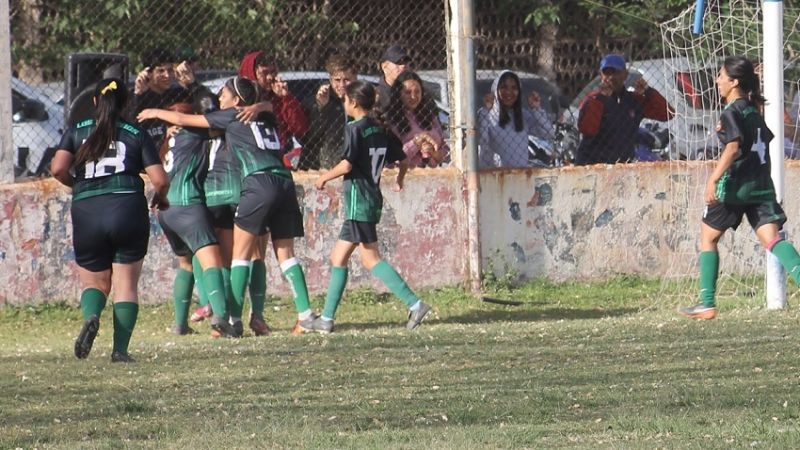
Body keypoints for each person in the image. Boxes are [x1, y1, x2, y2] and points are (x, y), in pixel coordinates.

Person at [138, 76, 317, 335]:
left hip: (250, 185)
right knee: (282, 254)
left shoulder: (229, 116)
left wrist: (155, 112)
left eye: (224, 94)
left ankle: (231, 319)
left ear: (236, 100)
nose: (220, 99)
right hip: (284, 181)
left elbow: (184, 120)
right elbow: (276, 107)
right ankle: (302, 315)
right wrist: (261, 105)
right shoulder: (266, 117)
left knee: (236, 257)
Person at [50, 78, 170, 362]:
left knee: (95, 283)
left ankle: (92, 315)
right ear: (125, 103)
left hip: (87, 207)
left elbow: (57, 168)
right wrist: (161, 198)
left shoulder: (76, 131)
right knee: (125, 283)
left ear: (94, 102)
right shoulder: (136, 132)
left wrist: (76, 184)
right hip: (127, 204)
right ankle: (120, 350)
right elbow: (160, 179)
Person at [680, 56, 800, 320]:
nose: (717, 80)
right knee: (773, 240)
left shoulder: (731, 112)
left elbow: (733, 147)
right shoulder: (752, 111)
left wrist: (712, 179)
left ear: (734, 82)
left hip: (735, 187)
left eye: (721, 75)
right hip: (761, 185)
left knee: (708, 238)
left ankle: (707, 302)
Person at [312, 80, 432, 333]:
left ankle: (415, 303)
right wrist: (398, 180)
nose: (344, 103)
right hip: (370, 198)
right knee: (338, 257)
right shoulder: (378, 128)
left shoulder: (355, 128)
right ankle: (326, 319)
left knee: (371, 258)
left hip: (359, 199)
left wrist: (323, 177)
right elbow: (402, 160)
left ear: (353, 102)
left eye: (345, 99)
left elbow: (346, 165)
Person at [156, 97, 233, 337]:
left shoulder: (168, 140)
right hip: (189, 205)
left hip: (166, 211)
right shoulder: (194, 131)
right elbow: (228, 122)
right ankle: (221, 318)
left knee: (186, 264)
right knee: (213, 263)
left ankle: (179, 324)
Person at [574, 54, 673, 165]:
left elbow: (667, 113)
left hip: (620, 165)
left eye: (615, 72)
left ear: (625, 75)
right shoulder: (593, 99)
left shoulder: (633, 100)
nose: (611, 77)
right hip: (591, 164)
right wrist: (601, 99)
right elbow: (588, 130)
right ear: (601, 75)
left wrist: (648, 91)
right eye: (607, 73)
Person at [477, 70, 555, 168]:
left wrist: (536, 109)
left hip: (519, 175)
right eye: (503, 87)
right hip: (494, 175)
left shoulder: (522, 115)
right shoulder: (486, 114)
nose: (509, 92)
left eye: (514, 88)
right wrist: (486, 111)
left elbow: (549, 133)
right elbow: (483, 140)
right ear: (495, 91)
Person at [236, 51, 309, 153]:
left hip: (277, 154)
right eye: (265, 73)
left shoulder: (279, 98)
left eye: (273, 72)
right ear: (252, 73)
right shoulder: (237, 97)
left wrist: (286, 98)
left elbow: (301, 129)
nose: (270, 77)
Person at [301, 54, 358, 170]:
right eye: (337, 80)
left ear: (355, 78)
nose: (342, 85)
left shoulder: (359, 102)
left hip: (348, 164)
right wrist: (321, 107)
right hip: (319, 166)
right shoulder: (317, 99)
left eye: (347, 80)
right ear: (330, 79)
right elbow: (310, 135)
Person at [386, 70, 448, 168]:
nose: (413, 96)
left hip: (432, 174)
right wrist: (416, 143)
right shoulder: (391, 120)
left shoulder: (429, 116)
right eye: (408, 92)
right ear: (398, 94)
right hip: (405, 175)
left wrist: (433, 153)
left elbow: (446, 151)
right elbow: (393, 159)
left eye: (417, 92)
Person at [131, 48, 192, 147]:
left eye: (170, 70)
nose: (167, 75)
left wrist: (192, 84)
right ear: (148, 73)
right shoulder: (137, 97)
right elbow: (129, 125)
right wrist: (138, 95)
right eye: (161, 71)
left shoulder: (179, 94)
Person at [375, 45, 411, 115]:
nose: (403, 66)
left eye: (405, 62)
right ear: (384, 67)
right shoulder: (376, 96)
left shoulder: (415, 92)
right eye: (398, 62)